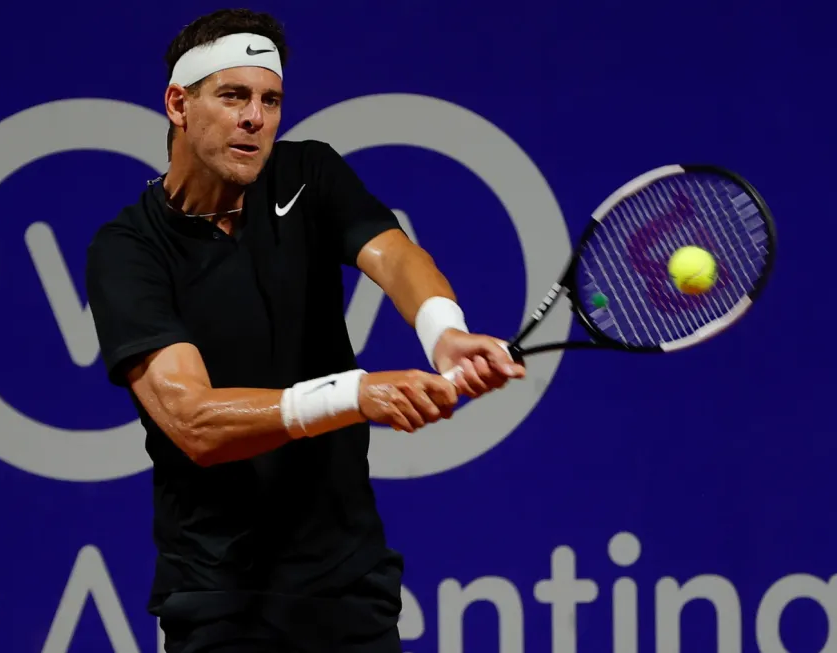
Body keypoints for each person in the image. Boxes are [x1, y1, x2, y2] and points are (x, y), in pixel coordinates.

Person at [85, 9, 525, 652]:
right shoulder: (127, 251)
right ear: (179, 103)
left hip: (344, 579)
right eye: (234, 96)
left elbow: (393, 254)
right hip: (218, 594)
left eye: (270, 99)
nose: (255, 119)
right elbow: (194, 422)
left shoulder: (309, 176)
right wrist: (354, 394)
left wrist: (444, 333)